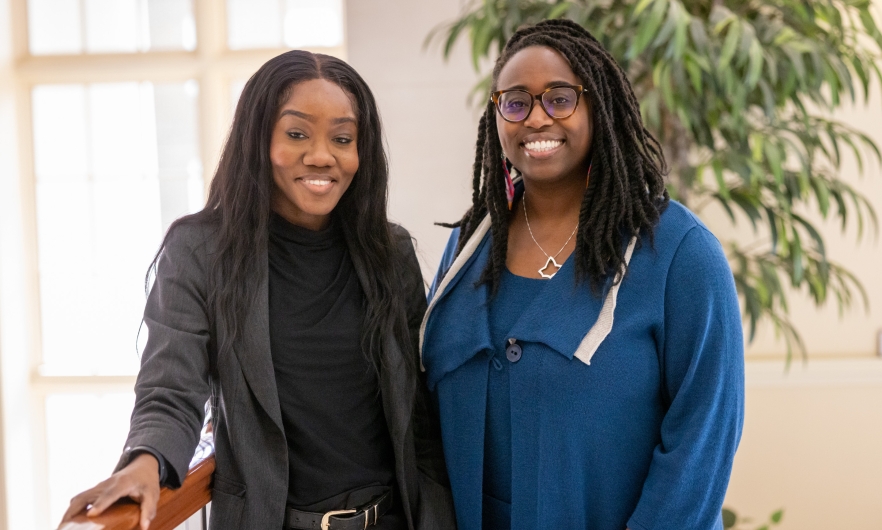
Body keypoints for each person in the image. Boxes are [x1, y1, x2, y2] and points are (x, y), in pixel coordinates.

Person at [60, 50, 454, 530]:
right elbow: (171, 388)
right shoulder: (201, 252)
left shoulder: (389, 253)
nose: (322, 156)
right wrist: (145, 461)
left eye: (343, 139)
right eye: (296, 134)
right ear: (258, 138)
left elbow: (418, 417)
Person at [419, 19, 744, 530]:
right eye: (516, 101)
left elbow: (700, 443)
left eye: (560, 98)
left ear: (598, 105)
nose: (537, 118)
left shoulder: (678, 253)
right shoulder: (469, 246)